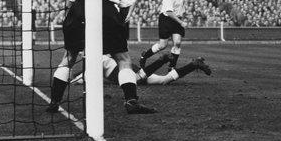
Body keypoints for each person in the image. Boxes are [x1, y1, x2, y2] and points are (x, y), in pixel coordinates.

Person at [47, 0, 156, 114]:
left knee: (69, 58)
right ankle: (131, 101)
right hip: (107, 10)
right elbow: (127, 2)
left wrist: (70, 15)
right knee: (123, 59)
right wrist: (121, 19)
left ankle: (54, 102)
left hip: (81, 8)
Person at [139, 0, 189, 70]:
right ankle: (145, 55)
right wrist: (181, 22)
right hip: (166, 19)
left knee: (177, 42)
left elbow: (182, 9)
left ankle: (172, 66)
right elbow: (169, 12)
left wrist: (184, 18)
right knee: (163, 45)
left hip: (177, 20)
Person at [71, 53, 211, 86]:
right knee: (164, 80)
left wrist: (69, 81)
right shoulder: (99, 54)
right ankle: (194, 64)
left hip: (120, 71)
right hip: (124, 65)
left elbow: (83, 77)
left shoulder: (93, 60)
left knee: (138, 78)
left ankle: (161, 60)